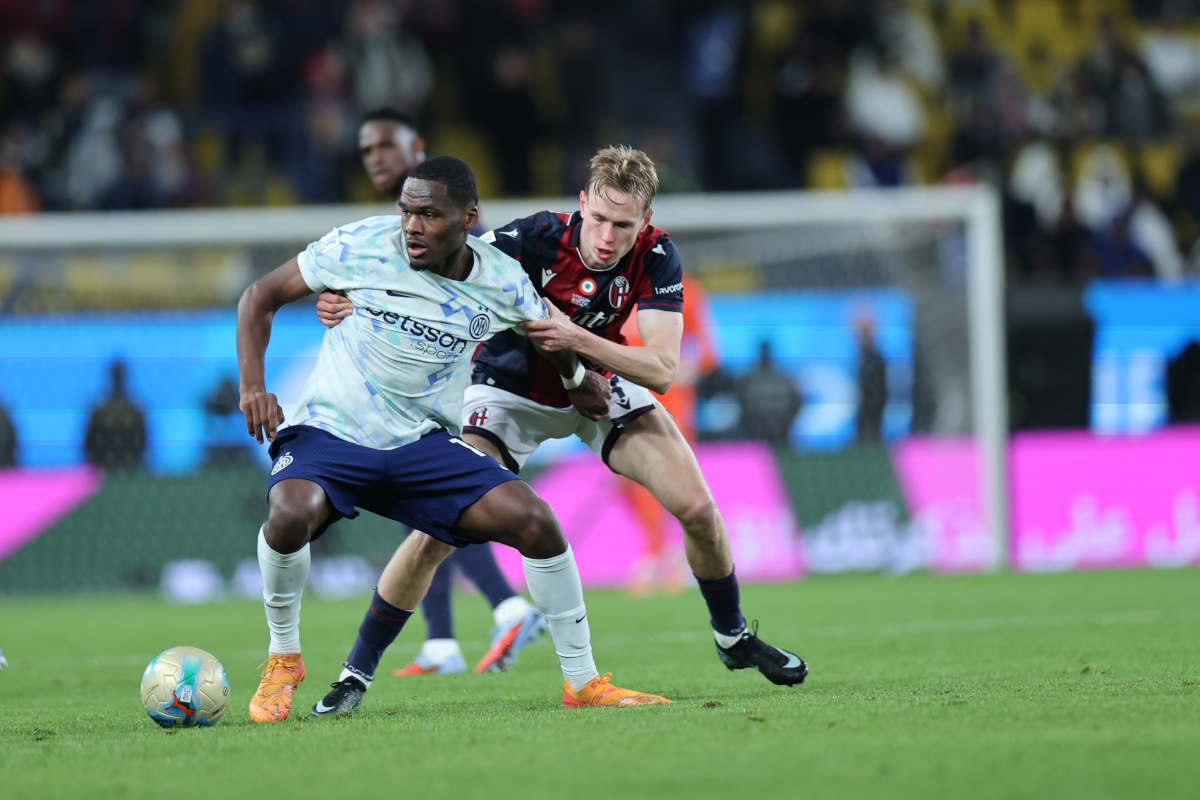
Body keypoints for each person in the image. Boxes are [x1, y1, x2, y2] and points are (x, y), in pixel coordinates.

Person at [316, 147, 807, 705]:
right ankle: (354, 675)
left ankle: (733, 636)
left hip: (595, 386)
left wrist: (577, 340)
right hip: (506, 394)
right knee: (436, 532)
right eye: (598, 219)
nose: (606, 236)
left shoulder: (657, 254)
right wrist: (349, 294)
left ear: (645, 222)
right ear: (582, 204)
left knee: (697, 509)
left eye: (623, 225)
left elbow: (664, 368)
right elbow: (439, 261)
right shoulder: (532, 239)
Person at [238, 155, 668, 722]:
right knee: (290, 514)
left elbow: (547, 332)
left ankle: (583, 683)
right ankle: (284, 658)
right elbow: (258, 297)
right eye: (406, 212)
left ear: (467, 219)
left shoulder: (500, 278)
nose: (412, 226)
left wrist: (575, 379)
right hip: (331, 432)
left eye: (429, 216)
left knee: (537, 523)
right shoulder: (360, 246)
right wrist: (253, 388)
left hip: (421, 443)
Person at [358, 107, 546, 675]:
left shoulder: (449, 217)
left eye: (385, 147)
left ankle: (505, 606)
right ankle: (444, 640)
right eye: (366, 151)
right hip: (419, 385)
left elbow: (478, 285)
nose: (376, 160)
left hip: (458, 376)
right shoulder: (404, 226)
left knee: (440, 506)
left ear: (414, 146)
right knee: (427, 510)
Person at [84, 361, 146, 470]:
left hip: (129, 470)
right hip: (104, 470)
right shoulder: (99, 412)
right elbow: (90, 445)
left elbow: (142, 445)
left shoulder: (135, 412)